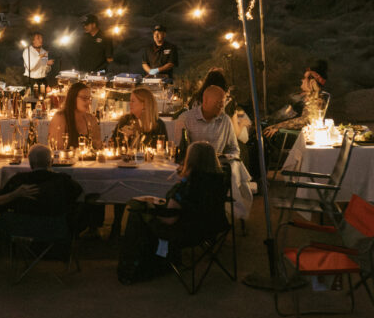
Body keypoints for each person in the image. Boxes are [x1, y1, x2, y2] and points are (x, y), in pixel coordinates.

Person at [117, 141, 229, 284]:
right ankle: (166, 259)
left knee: (136, 212)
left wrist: (151, 207)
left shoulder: (187, 185)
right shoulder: (217, 180)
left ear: (191, 160)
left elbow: (170, 219)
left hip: (186, 232)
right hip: (211, 227)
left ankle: (131, 268)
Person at [0, 144, 84, 245]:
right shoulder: (63, 181)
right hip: (55, 229)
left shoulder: (18, 180)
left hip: (22, 229)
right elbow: (80, 198)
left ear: (30, 163)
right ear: (50, 162)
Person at [262, 61, 330, 138]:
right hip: (276, 123)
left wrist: (278, 127)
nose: (302, 80)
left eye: (305, 78)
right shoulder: (303, 95)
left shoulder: (316, 100)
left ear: (312, 82)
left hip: (291, 134)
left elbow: (304, 121)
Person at [179, 85, 240, 161]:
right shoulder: (186, 119)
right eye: (219, 102)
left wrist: (225, 158)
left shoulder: (225, 121)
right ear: (205, 101)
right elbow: (180, 150)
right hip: (193, 168)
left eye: (224, 102)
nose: (222, 106)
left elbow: (233, 149)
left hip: (218, 168)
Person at [48, 81, 104, 150]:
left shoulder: (91, 119)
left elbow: (98, 146)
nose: (88, 102)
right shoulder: (60, 118)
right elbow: (57, 148)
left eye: (89, 98)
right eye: (84, 98)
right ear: (73, 98)